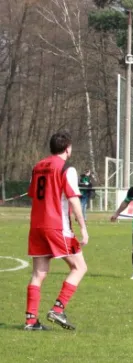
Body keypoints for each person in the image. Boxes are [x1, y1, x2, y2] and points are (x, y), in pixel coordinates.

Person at [25, 130, 89, 331]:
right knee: (79, 268)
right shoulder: (66, 168)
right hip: (57, 226)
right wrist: (83, 226)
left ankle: (30, 321)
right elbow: (73, 198)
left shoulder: (38, 167)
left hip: (36, 225)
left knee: (38, 273)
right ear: (68, 148)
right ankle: (58, 309)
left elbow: (33, 194)